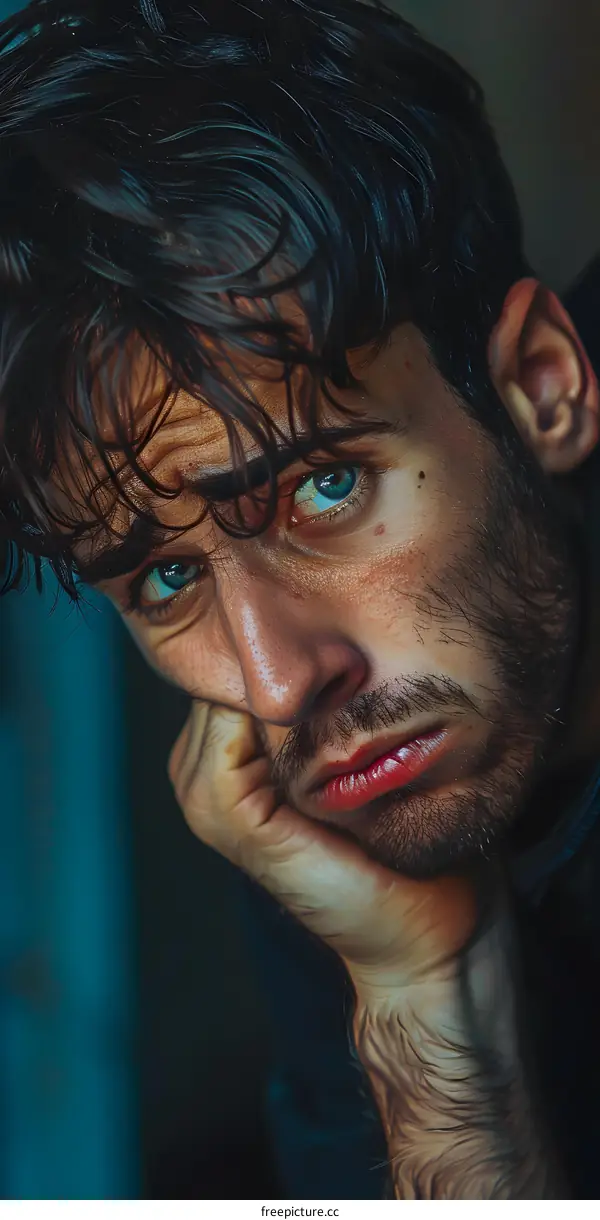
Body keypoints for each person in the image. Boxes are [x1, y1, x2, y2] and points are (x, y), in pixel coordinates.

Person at [1, 0, 599, 1199]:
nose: (275, 679)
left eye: (321, 488)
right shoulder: (337, 796)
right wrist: (426, 995)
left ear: (542, 388)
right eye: (164, 576)